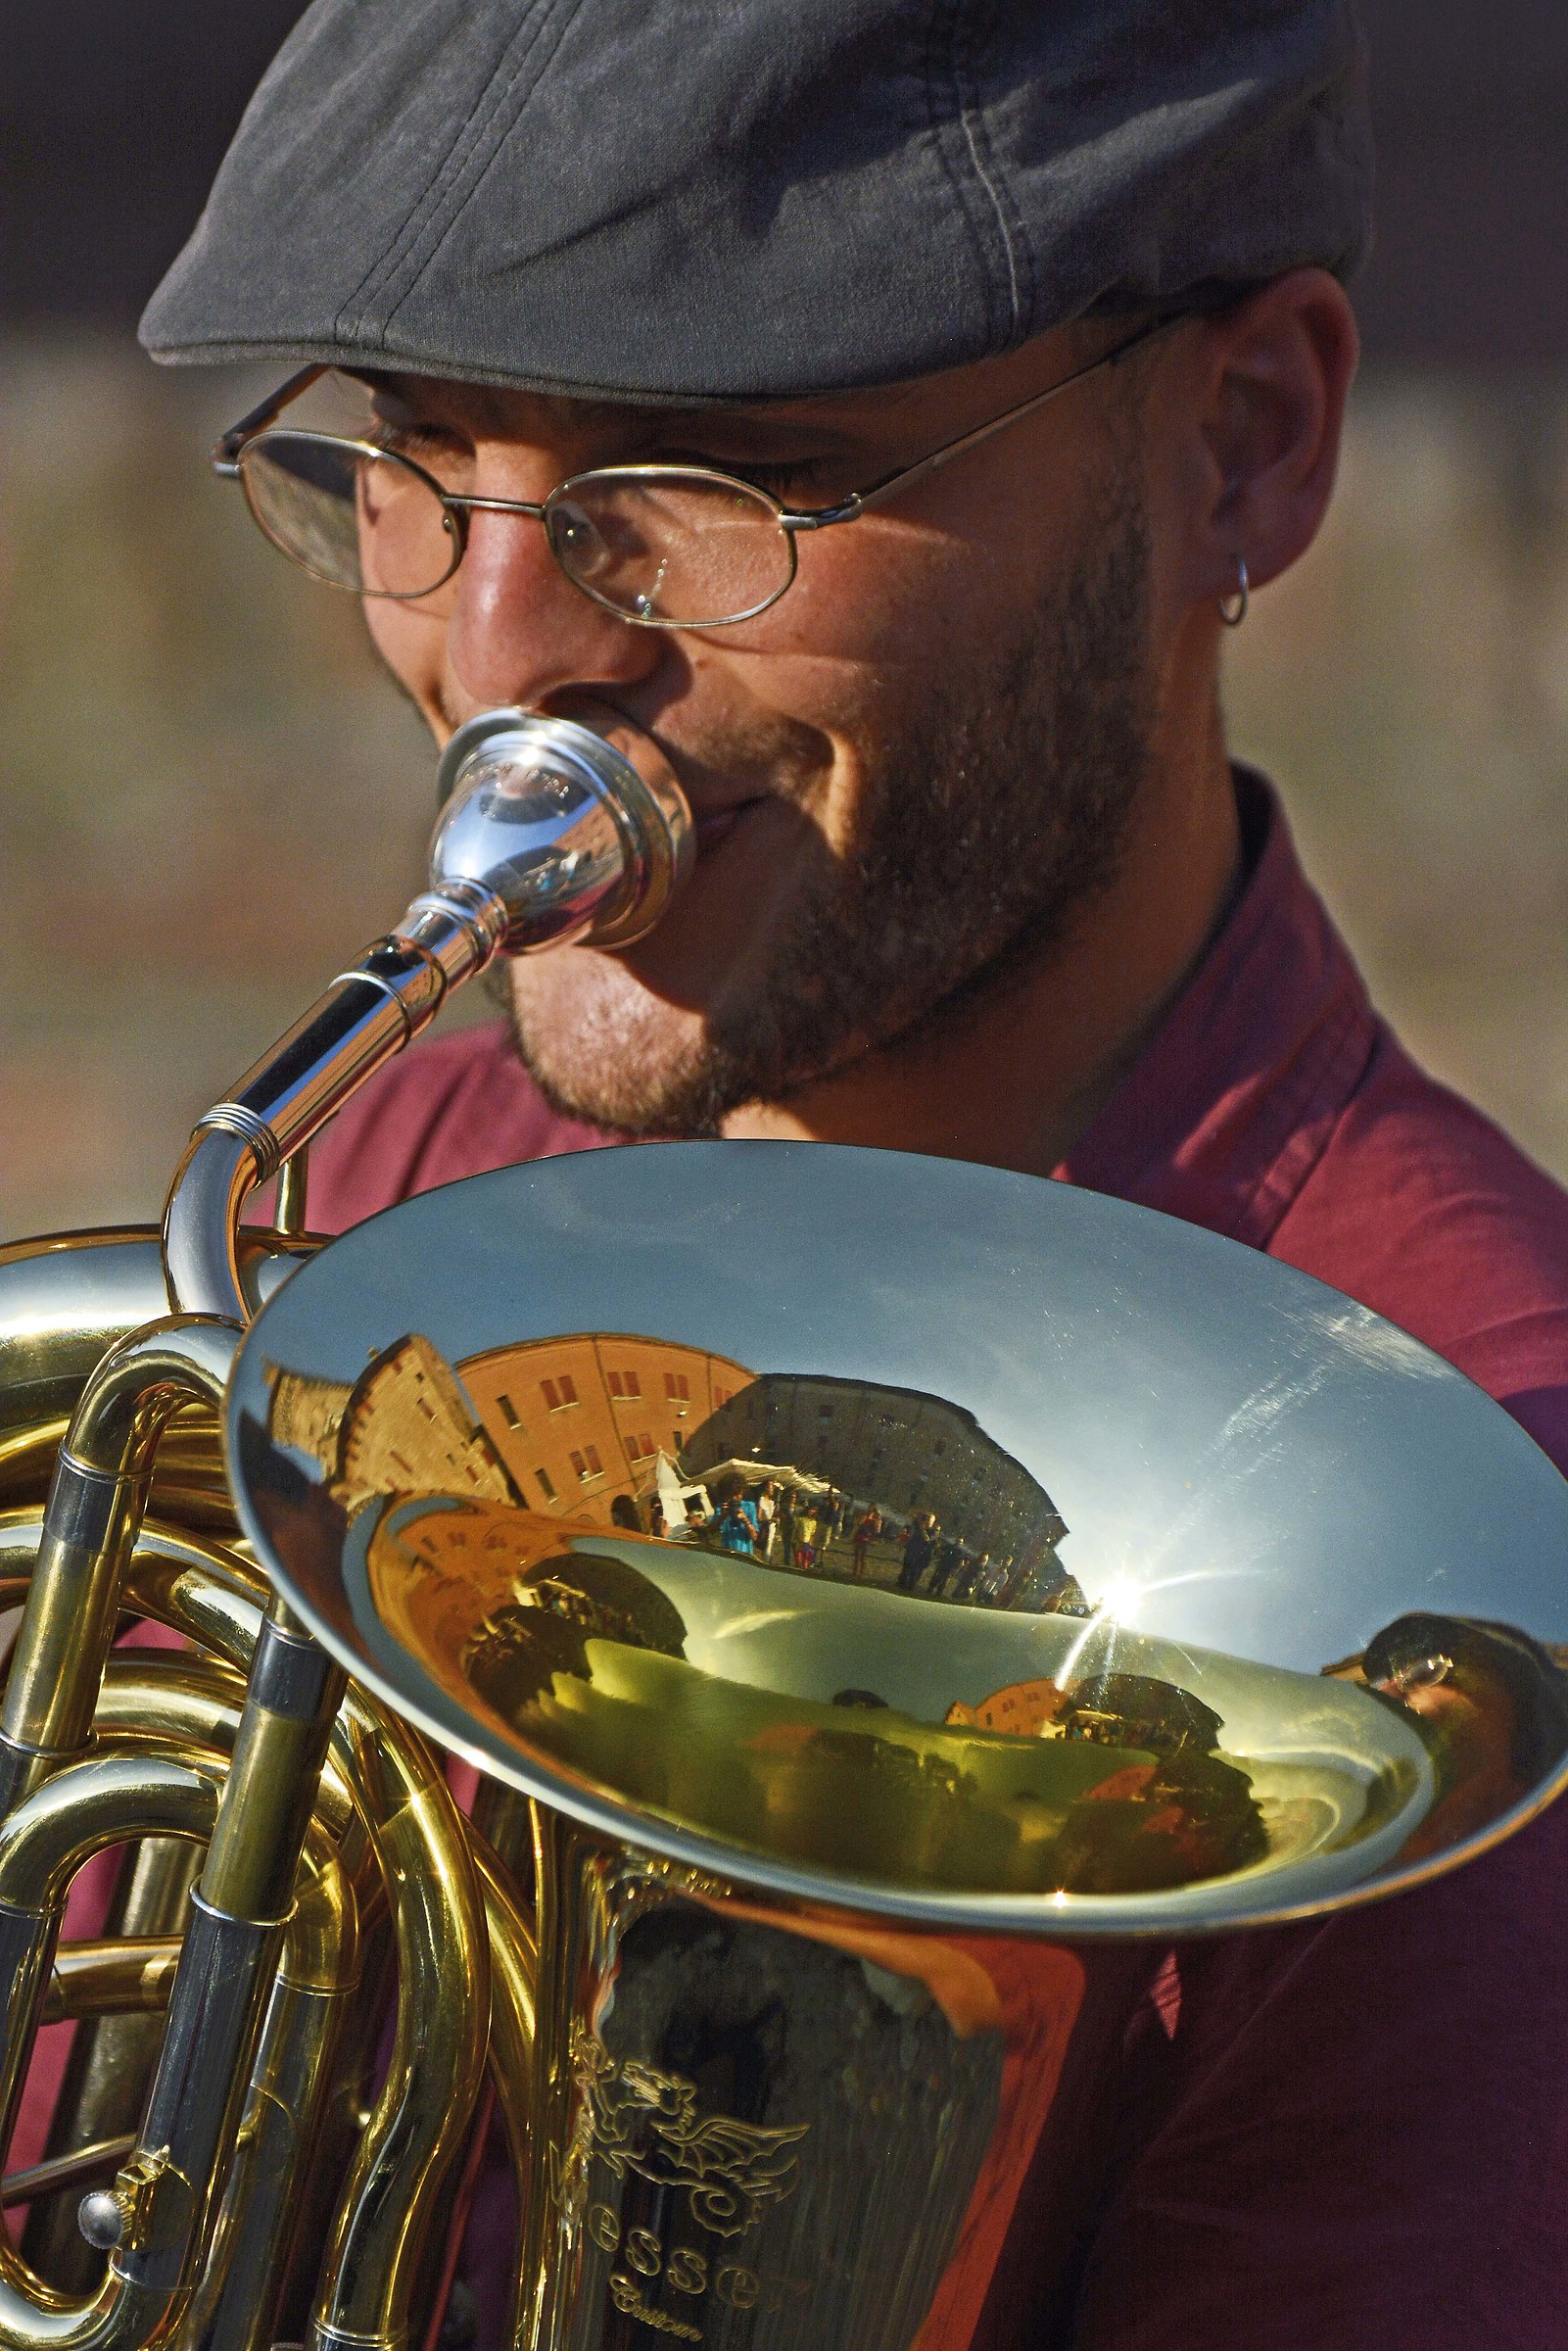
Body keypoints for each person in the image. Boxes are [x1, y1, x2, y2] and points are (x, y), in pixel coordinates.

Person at [139, 3, 1568, 2340]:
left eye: (714, 477)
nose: (494, 658)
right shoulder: (402, 1179)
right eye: (411, 460)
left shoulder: (1478, 1568)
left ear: (1241, 445)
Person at [850, 1503, 882, 1581]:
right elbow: (858, 1524)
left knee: (863, 1557)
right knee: (857, 1556)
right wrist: (853, 1535)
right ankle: (854, 1573)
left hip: (867, 1538)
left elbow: (877, 1530)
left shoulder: (876, 1519)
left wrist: (877, 1519)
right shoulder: (864, 1515)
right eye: (870, 1508)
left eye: (873, 1508)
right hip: (859, 1536)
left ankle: (861, 1574)